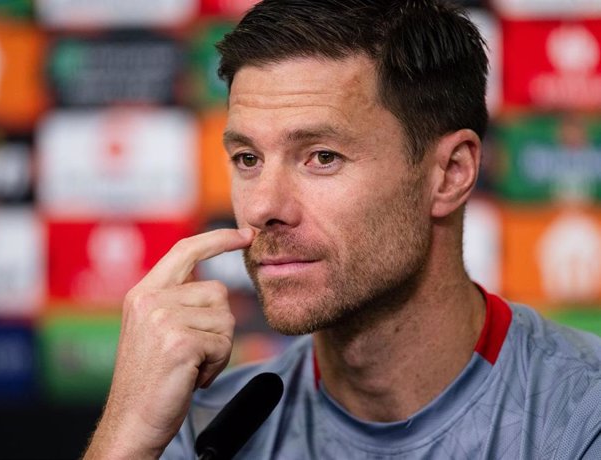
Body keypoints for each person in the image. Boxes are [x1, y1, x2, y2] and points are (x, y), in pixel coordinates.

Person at [84, 0, 601, 458]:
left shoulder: (582, 414)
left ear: (450, 174)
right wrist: (126, 441)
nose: (263, 206)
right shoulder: (203, 429)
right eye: (247, 158)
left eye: (322, 157)